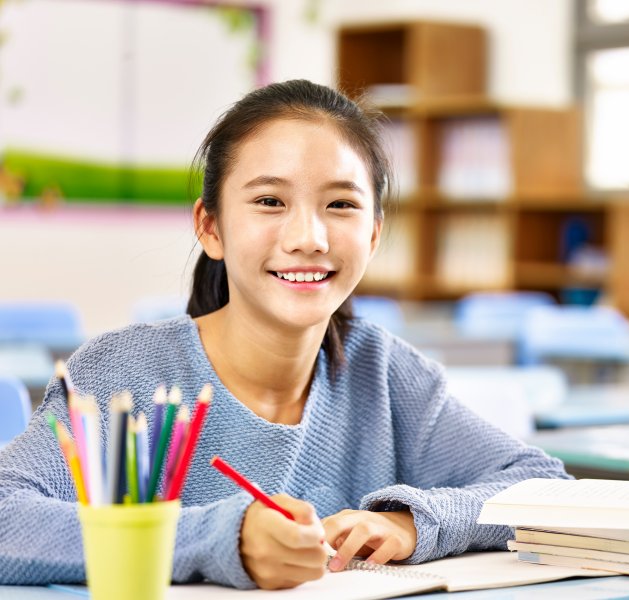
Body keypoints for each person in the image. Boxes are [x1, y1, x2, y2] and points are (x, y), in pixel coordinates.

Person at [0, 79, 570, 590]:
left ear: (373, 236)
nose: (309, 237)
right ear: (211, 227)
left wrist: (413, 523)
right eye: (270, 201)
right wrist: (224, 540)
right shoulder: (125, 375)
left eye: (341, 204)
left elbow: (543, 487)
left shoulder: (387, 373)